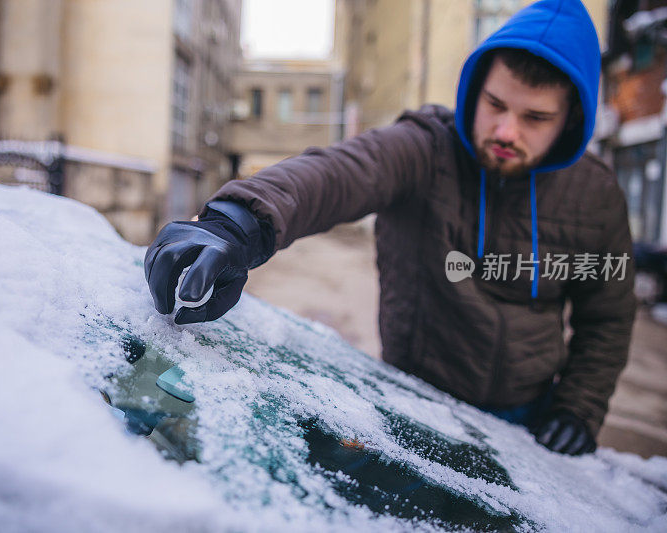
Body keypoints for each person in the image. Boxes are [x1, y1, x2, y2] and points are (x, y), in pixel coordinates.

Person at [144, 0, 635, 456]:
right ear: (474, 90)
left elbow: (607, 317)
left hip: (527, 423)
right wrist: (237, 224)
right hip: (412, 402)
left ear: (570, 120)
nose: (507, 131)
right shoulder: (426, 150)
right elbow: (339, 173)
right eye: (496, 105)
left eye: (535, 117)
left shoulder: (595, 196)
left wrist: (579, 407)